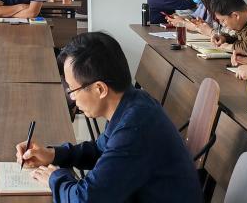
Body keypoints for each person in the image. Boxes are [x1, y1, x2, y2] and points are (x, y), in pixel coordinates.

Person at [18, 32, 201, 202]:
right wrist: (53, 155)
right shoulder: (133, 101)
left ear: (100, 89)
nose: (72, 98)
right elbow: (101, 149)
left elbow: (87, 199)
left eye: (73, 90)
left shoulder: (135, 127)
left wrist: (54, 178)